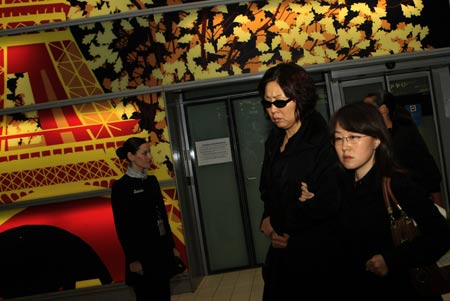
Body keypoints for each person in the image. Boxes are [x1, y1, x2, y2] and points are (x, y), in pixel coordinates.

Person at [328, 102, 450, 300]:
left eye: (354, 137)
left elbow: (441, 236)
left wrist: (391, 260)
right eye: (339, 139)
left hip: (401, 289)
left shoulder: (397, 184)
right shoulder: (341, 184)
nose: (345, 146)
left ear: (376, 140)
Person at [257, 62, 344, 300]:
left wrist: (280, 223)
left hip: (314, 257)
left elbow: (327, 203)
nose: (273, 110)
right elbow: (267, 189)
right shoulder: (274, 141)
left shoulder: (322, 142)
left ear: (300, 98)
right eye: (267, 102)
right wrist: (268, 218)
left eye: (280, 102)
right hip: (280, 256)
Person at [111, 137, 180, 301]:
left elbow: (162, 215)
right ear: (131, 156)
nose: (150, 156)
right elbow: (123, 227)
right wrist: (133, 258)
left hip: (160, 251)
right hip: (141, 255)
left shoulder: (151, 181)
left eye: (149, 152)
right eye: (145, 153)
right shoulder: (121, 187)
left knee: (164, 295)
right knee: (146, 295)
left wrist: (171, 246)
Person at [364, 92, 444, 207]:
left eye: (368, 108)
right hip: (387, 203)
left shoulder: (404, 132)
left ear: (383, 109)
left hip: (414, 199)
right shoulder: (371, 136)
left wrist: (439, 204)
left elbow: (426, 165)